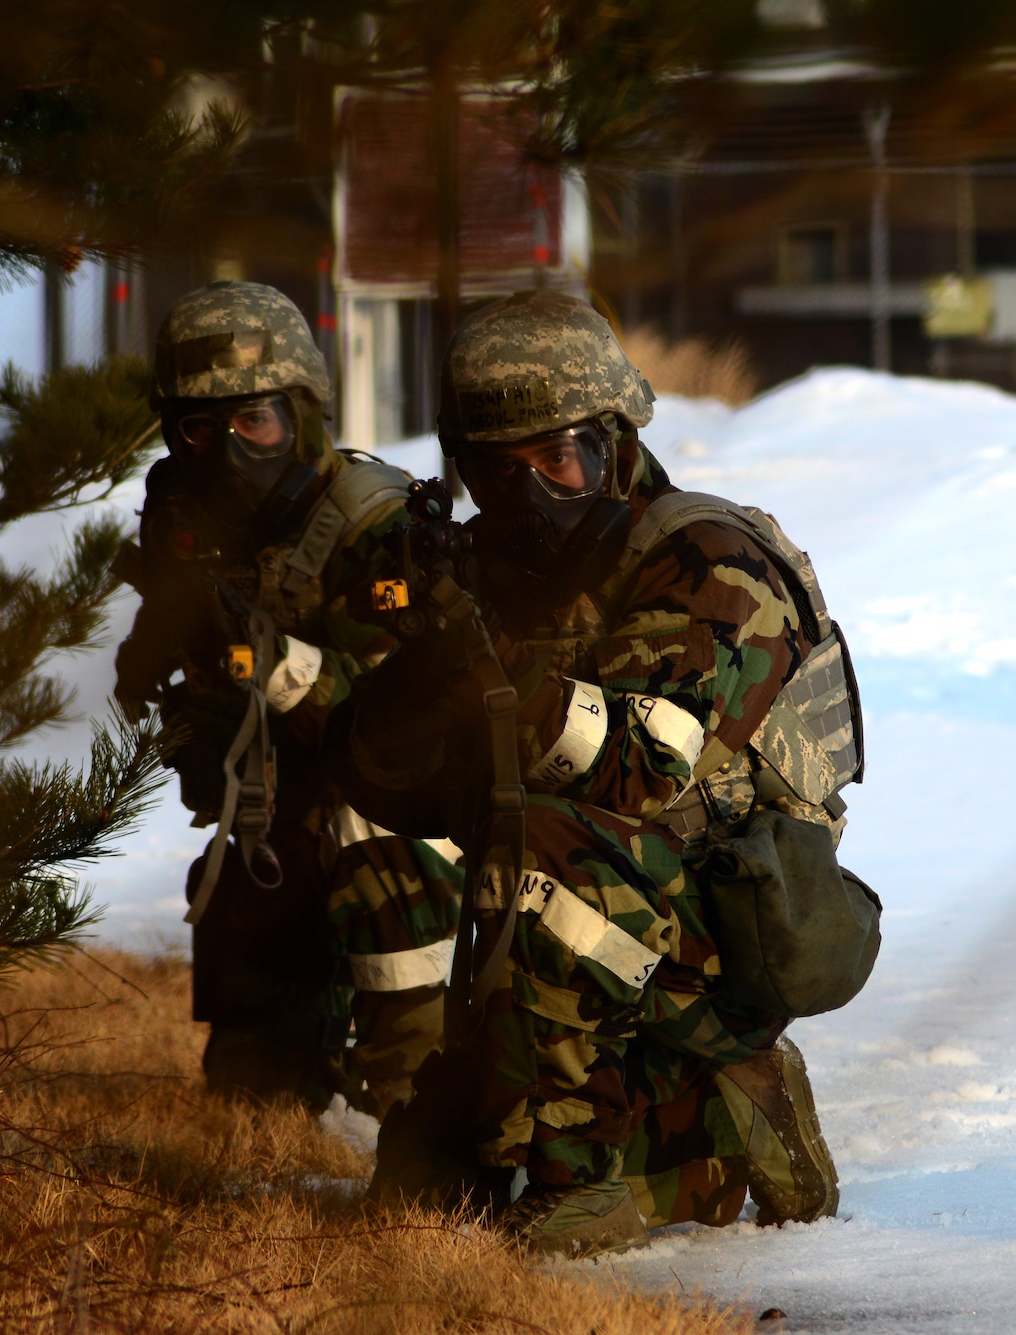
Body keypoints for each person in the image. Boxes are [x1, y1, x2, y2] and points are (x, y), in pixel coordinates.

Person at [335, 290, 870, 1256]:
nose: (535, 493)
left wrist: (484, 665)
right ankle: (647, 1116)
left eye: (561, 458)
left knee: (543, 847)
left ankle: (602, 1170)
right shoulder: (497, 573)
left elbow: (639, 765)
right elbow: (391, 785)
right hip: (578, 930)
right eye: (502, 473)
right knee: (423, 1182)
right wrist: (420, 653)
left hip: (723, 935)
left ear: (618, 443)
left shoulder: (712, 562)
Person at [113, 280, 463, 1117]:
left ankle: (424, 1092)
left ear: (301, 416)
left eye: (255, 422)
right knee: (252, 1078)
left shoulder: (375, 526)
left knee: (377, 852)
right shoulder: (183, 518)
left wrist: (266, 660)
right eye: (201, 428)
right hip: (275, 807)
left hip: (405, 812)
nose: (229, 452)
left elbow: (405, 718)